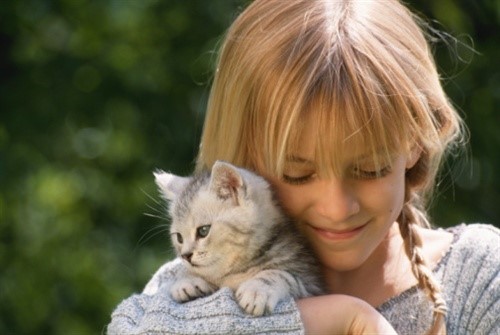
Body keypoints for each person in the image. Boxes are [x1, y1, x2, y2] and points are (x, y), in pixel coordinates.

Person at [107, 0, 500, 334]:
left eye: (369, 169)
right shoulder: (193, 282)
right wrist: (334, 318)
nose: (336, 207)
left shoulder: (479, 278)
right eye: (298, 174)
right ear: (245, 164)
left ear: (416, 141)